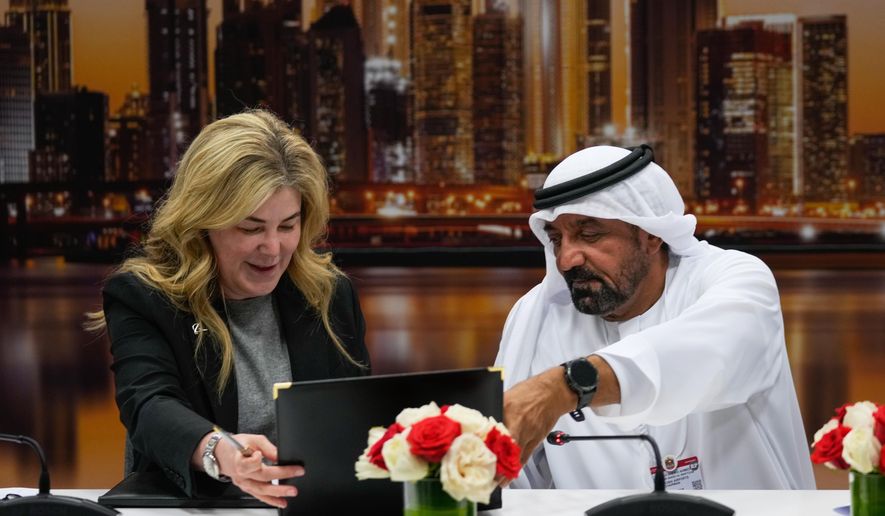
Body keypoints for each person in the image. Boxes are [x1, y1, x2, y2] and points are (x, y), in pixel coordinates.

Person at [86, 110, 370, 509]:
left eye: (288, 225)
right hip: (195, 507)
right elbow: (149, 406)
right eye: (251, 228)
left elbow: (359, 419)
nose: (272, 249)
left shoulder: (330, 295)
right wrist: (222, 453)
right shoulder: (143, 296)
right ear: (203, 222)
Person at [496, 145, 815, 490]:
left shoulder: (735, 279)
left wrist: (563, 388)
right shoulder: (537, 318)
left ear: (650, 234)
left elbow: (708, 355)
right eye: (557, 239)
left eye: (589, 234)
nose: (566, 260)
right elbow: (513, 479)